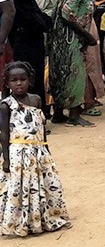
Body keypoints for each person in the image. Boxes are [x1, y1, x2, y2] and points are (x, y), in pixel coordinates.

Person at [0, 61, 70, 237]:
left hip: (38, 151)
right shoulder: (5, 105)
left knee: (44, 184)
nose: (18, 83)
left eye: (22, 79)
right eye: (14, 80)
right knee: (19, 188)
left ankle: (42, 218)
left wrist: (46, 148)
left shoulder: (37, 100)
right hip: (18, 154)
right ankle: (21, 222)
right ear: (7, 83)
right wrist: (6, 159)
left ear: (30, 80)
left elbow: (40, 125)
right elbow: (4, 134)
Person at [6, 0, 51, 119]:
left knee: (37, 80)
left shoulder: (31, 5)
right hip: (24, 50)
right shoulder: (16, 10)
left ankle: (40, 115)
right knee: (27, 81)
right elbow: (40, 24)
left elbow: (46, 23)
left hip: (36, 48)